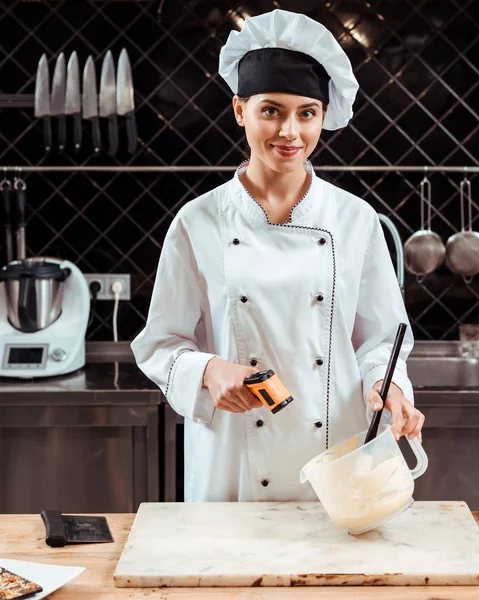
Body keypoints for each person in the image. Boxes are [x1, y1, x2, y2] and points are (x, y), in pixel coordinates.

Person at [131, 8, 424, 503]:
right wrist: (208, 371)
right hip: (235, 459)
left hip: (337, 456)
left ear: (323, 117)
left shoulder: (355, 221)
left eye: (306, 113)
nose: (290, 131)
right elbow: (160, 345)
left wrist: (389, 386)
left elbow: (379, 341)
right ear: (240, 110)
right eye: (271, 110)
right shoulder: (198, 222)